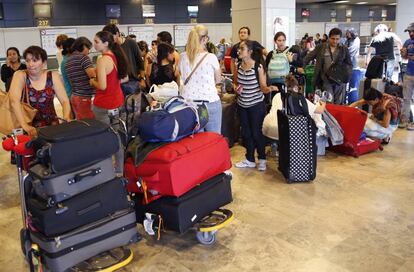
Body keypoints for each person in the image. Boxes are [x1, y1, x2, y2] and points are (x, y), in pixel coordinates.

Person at [233, 40, 278, 171]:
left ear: (250, 52)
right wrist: (236, 88)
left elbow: (262, 87)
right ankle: (250, 159)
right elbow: (236, 82)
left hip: (256, 105)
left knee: (256, 132)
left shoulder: (258, 67)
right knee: (246, 133)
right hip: (242, 105)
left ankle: (262, 158)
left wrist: (269, 89)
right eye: (239, 49)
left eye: (242, 49)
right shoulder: (238, 65)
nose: (239, 51)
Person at [8, 46, 71, 136]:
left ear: (44, 62)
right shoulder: (20, 75)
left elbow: (64, 100)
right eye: (28, 60)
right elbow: (14, 101)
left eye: (35, 60)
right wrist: (25, 125)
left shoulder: (52, 76)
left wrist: (66, 117)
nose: (30, 64)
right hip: (28, 126)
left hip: (51, 125)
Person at [90, 31, 128, 174]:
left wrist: (92, 81)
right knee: (117, 136)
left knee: (104, 138)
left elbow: (103, 86)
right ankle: (119, 169)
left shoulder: (102, 59)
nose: (94, 44)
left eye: (96, 41)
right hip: (117, 101)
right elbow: (124, 78)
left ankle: (105, 170)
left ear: (106, 43)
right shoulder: (116, 56)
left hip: (103, 104)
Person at [178, 24, 222, 133]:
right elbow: (218, 80)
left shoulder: (182, 57)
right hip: (210, 102)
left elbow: (180, 75)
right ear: (205, 39)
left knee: (196, 144)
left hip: (189, 104)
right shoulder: (211, 57)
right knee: (213, 140)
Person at [262, 74, 326, 142]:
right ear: (296, 87)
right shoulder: (299, 98)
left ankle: (275, 145)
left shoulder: (277, 95)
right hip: (284, 131)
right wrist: (323, 102)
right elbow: (320, 110)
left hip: (268, 128)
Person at [304, 28, 352, 104]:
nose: (335, 41)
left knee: (338, 102)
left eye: (337, 39)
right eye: (333, 39)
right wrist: (303, 67)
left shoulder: (344, 49)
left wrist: (347, 76)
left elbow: (349, 64)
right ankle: (328, 115)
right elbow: (308, 57)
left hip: (339, 80)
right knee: (329, 101)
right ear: (329, 38)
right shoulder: (321, 47)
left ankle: (335, 116)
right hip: (325, 79)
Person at [102, 24, 145, 95]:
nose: (109, 40)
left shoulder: (131, 43)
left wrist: (142, 79)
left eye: (111, 37)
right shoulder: (110, 48)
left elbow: (140, 62)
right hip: (119, 83)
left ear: (117, 34)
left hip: (133, 82)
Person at [65, 37, 96, 120]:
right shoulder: (83, 58)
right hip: (84, 98)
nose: (89, 51)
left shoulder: (68, 60)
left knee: (81, 124)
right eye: (88, 48)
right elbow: (92, 76)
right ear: (83, 46)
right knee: (89, 124)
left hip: (75, 96)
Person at [399, 22, 414, 130]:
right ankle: (405, 120)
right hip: (409, 73)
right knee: (406, 99)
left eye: (412, 31)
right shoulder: (407, 42)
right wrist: (403, 53)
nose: (411, 33)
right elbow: (404, 57)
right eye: (409, 31)